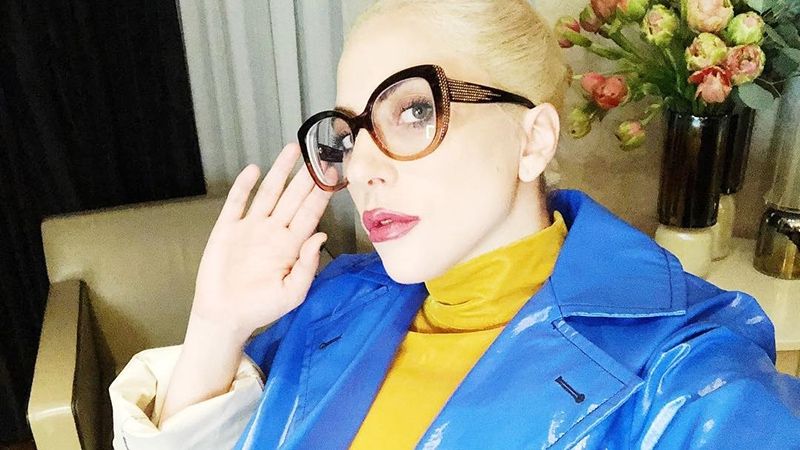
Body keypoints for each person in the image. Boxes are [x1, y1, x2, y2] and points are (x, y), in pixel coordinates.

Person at [109, 0, 800, 449]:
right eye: (349, 134)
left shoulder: (688, 374)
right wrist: (217, 326)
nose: (361, 167)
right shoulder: (327, 303)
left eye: (413, 111)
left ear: (532, 140)